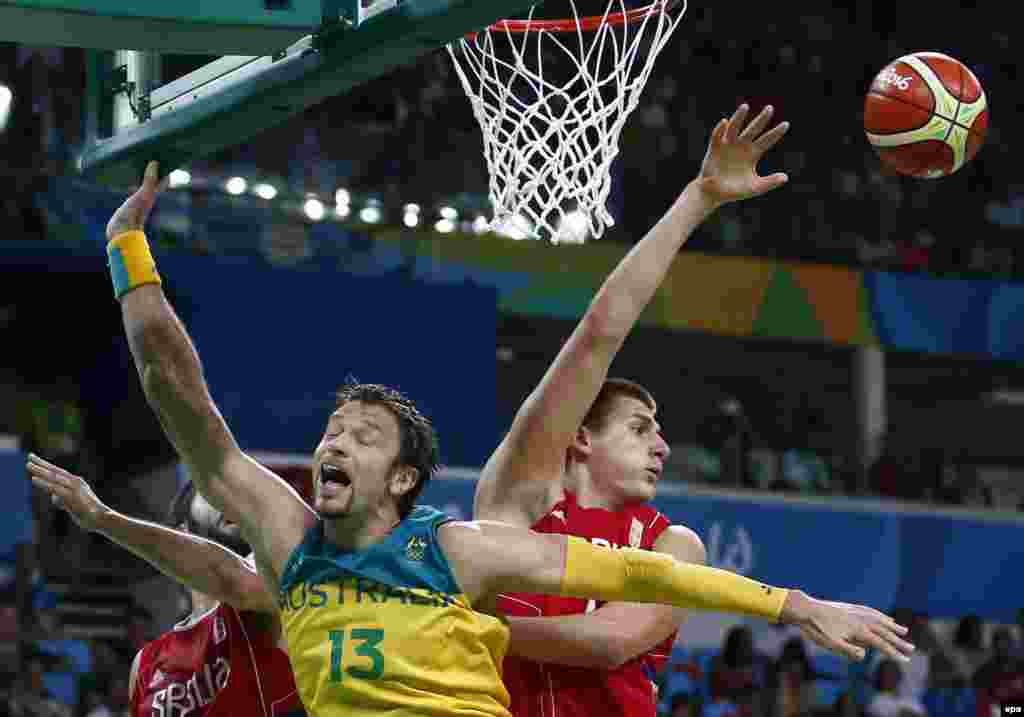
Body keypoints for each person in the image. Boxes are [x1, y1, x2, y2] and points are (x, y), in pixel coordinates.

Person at [100, 111, 912, 717]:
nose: (334, 441)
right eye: (331, 431)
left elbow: (640, 587)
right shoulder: (314, 541)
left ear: (407, 476)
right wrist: (130, 256)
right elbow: (188, 411)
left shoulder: (467, 548)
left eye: (362, 433)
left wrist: (794, 603)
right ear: (579, 438)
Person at [472, 104, 899, 717]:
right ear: (581, 439)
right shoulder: (520, 498)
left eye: (660, 432)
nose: (662, 446)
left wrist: (467, 629)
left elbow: (609, 643)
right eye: (640, 428)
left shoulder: (674, 545)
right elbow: (598, 334)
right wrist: (698, 199)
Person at [26, 455, 305, 717]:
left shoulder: (268, 596)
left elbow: (229, 576)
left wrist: (103, 518)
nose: (232, 500)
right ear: (181, 531)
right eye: (216, 493)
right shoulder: (146, 663)